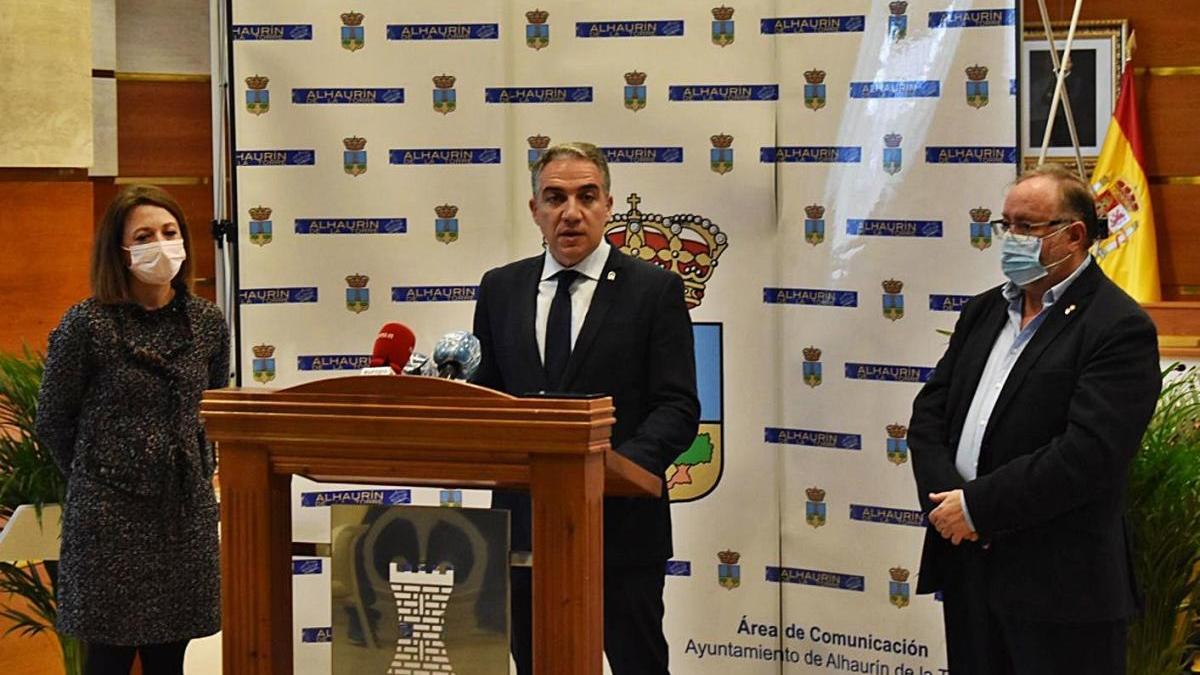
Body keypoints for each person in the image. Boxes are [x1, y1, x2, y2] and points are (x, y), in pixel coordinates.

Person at [908, 164, 1160, 674]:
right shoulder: (982, 312)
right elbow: (929, 415)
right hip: (970, 574)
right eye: (1007, 225)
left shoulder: (1118, 327)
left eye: (1028, 226)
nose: (1012, 239)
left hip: (1061, 591)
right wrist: (947, 506)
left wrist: (977, 508)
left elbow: (1088, 455)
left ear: (1074, 236)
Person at [471, 142, 699, 674]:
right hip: (524, 533)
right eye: (554, 197)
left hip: (621, 530)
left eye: (585, 196)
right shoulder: (500, 288)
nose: (570, 212)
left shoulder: (654, 290)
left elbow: (677, 405)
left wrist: (611, 471)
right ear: (535, 210)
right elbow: (489, 398)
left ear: (607, 205)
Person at [36, 185, 229, 675]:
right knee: (108, 660)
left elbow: (212, 409)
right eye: (145, 235)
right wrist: (100, 476)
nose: (161, 244)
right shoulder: (87, 324)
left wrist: (198, 470)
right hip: (108, 524)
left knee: (170, 661)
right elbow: (54, 420)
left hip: (183, 519)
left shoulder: (207, 322)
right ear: (120, 251)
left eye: (170, 232)